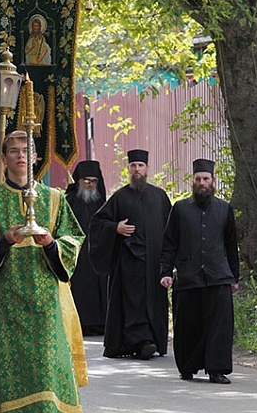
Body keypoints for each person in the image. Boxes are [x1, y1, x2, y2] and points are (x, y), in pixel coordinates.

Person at [0, 130, 86, 413]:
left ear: (35, 157)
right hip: (7, 305)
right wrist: (3, 241)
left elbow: (74, 239)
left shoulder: (54, 198)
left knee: (46, 375)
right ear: (3, 158)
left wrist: (51, 244)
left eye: (26, 150)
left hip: (44, 306)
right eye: (13, 151)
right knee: (12, 377)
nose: (20, 156)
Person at [160, 159, 240, 384]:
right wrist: (165, 271)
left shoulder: (225, 209)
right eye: (198, 179)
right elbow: (169, 244)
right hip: (188, 276)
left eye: (206, 179)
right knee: (188, 324)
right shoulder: (180, 209)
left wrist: (234, 277)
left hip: (218, 276)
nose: (202, 183)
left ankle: (217, 369)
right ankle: (188, 367)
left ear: (213, 181)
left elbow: (231, 245)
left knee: (219, 326)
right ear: (193, 182)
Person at [89, 149, 172, 360]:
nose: (137, 169)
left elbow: (172, 229)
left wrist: (170, 261)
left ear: (147, 169)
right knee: (133, 302)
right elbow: (98, 222)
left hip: (154, 262)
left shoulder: (159, 196)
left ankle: (154, 339)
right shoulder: (120, 197)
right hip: (129, 263)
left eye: (140, 166)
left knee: (154, 301)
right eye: (133, 166)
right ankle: (140, 342)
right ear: (129, 168)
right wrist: (115, 227)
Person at [65, 160, 109, 335]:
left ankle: (102, 323)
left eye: (94, 181)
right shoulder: (68, 201)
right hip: (78, 255)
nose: (91, 185)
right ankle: (82, 323)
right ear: (78, 181)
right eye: (87, 181)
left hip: (99, 254)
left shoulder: (102, 202)